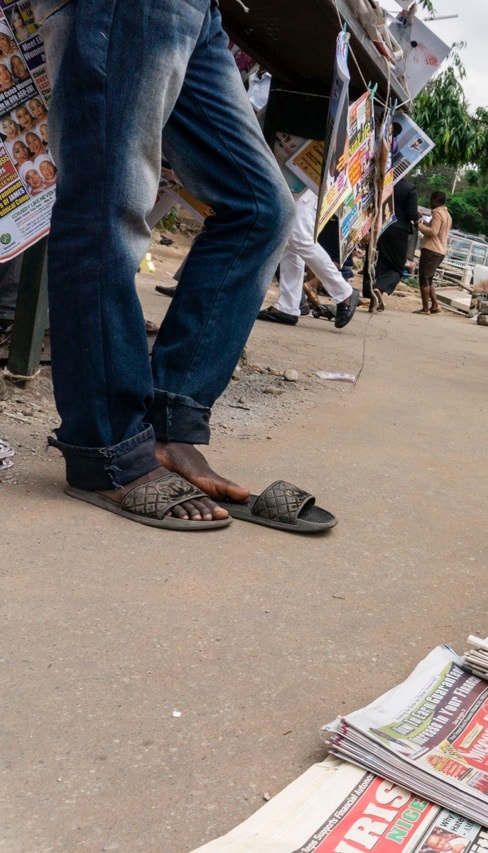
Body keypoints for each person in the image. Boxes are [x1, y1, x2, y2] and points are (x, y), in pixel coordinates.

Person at [36, 0, 294, 528]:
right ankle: (107, 450)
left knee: (262, 208)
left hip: (199, 11)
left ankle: (171, 426)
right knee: (107, 201)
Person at [257, 189, 360, 329]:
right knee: (289, 236)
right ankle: (288, 305)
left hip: (310, 182)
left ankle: (343, 292)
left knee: (299, 235)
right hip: (300, 180)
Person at [415, 190, 451, 315]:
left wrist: (419, 226)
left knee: (424, 279)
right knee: (429, 279)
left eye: (431, 200)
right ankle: (434, 304)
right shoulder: (447, 215)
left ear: (436, 200)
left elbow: (433, 232)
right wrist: (425, 224)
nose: (430, 203)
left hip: (431, 249)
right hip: (440, 250)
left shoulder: (437, 214)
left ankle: (425, 308)